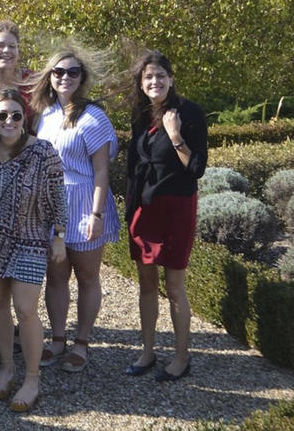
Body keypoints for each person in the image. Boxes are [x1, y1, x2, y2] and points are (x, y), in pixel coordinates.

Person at [0, 88, 67, 413]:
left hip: (30, 239)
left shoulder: (43, 151)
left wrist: (59, 235)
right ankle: (6, 367)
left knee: (26, 309)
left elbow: (59, 194)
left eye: (16, 115)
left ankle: (32, 378)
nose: (9, 120)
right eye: (2, 115)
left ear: (25, 118)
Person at [32, 50, 120, 373]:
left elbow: (101, 171)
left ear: (82, 77)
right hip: (52, 207)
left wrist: (96, 215)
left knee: (86, 276)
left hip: (83, 203)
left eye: (72, 72)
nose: (64, 77)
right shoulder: (46, 114)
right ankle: (57, 339)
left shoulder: (93, 117)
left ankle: (81, 342)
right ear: (49, 76)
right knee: (55, 276)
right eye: (58, 72)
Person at [125, 51, 206, 381]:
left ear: (171, 79)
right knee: (146, 285)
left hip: (176, 207)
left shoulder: (189, 113)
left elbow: (196, 168)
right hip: (145, 209)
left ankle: (181, 357)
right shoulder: (142, 115)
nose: (154, 82)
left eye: (160, 76)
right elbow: (134, 164)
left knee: (174, 286)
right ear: (141, 83)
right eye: (148, 77)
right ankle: (147, 351)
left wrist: (175, 136)